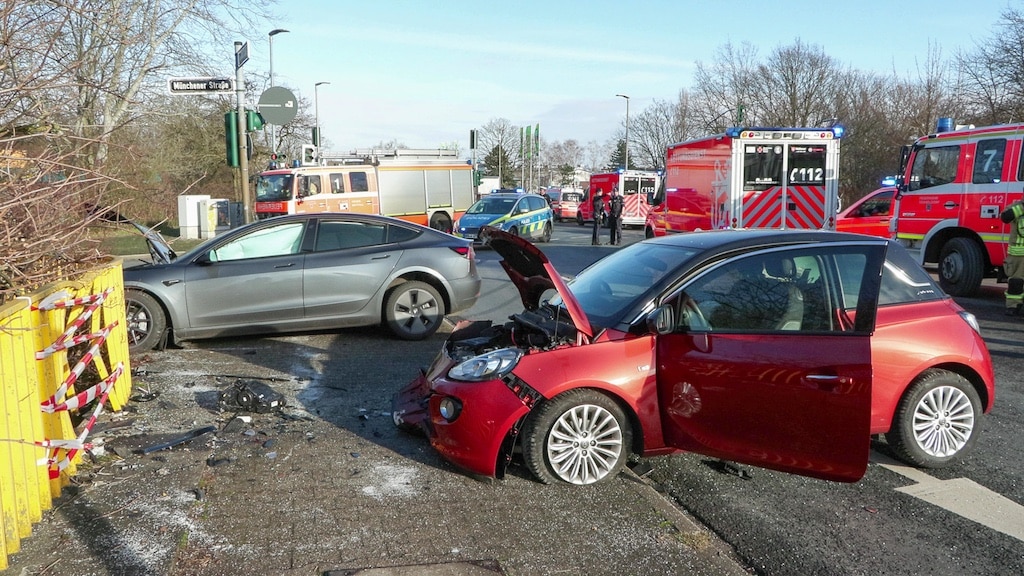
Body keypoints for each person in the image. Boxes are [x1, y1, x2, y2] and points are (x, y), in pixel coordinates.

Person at [1000, 198, 1024, 315]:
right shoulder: (1016, 207)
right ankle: (1013, 306)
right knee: (1016, 282)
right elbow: (1005, 217)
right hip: (1017, 255)